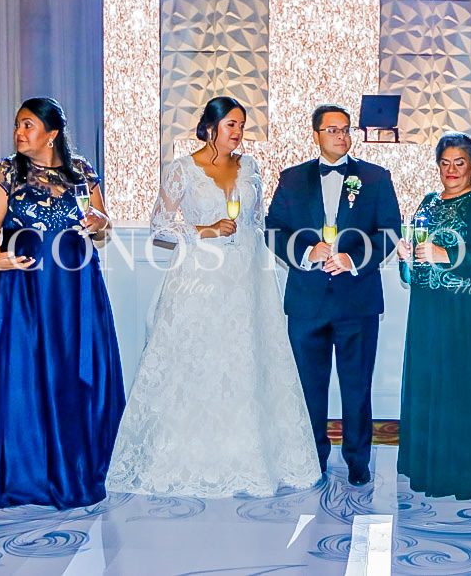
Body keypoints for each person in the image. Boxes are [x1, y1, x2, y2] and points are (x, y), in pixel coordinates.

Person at [107, 97, 320, 497]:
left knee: (247, 361)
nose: (238, 132)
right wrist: (204, 230)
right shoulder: (182, 169)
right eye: (231, 124)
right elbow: (160, 226)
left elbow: (257, 224)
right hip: (200, 278)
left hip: (247, 281)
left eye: (241, 125)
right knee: (198, 359)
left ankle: (250, 455)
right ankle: (190, 454)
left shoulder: (250, 167)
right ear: (210, 127)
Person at [0, 98, 125, 511]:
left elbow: (102, 223)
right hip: (26, 288)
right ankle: (26, 472)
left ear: (51, 134)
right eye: (18, 125)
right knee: (24, 372)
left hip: (76, 288)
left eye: (28, 125)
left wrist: (100, 222)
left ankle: (80, 463)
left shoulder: (82, 171)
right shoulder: (7, 172)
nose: (19, 132)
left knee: (75, 372)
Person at [265, 103, 401, 487]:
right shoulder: (292, 179)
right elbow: (273, 229)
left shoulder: (374, 178)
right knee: (309, 388)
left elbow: (390, 230)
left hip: (357, 300)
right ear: (316, 135)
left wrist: (353, 259)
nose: (341, 136)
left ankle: (358, 460)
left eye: (346, 129)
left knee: (357, 387)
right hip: (307, 302)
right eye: (332, 130)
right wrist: (306, 252)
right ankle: (313, 458)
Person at [396, 132, 471, 499]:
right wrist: (407, 256)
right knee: (426, 383)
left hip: (462, 312)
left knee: (457, 388)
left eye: (459, 163)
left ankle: (458, 474)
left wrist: (446, 255)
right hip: (426, 310)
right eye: (445, 163)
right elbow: (419, 261)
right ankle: (425, 468)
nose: (451, 170)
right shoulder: (427, 202)